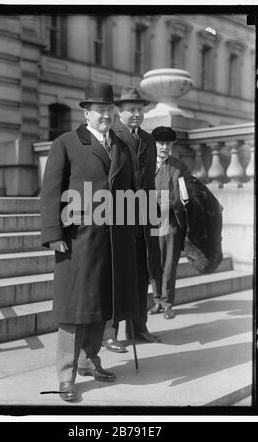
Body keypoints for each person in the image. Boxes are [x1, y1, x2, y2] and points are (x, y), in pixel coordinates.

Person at [40, 81, 139, 401]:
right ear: (86, 113)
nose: (106, 115)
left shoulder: (122, 147)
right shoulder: (66, 143)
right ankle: (66, 376)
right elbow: (52, 192)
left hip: (111, 240)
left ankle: (90, 361)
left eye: (110, 110)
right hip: (77, 239)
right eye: (100, 110)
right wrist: (53, 234)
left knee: (101, 305)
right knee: (73, 309)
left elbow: (128, 192)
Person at [102, 86, 162, 353]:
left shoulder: (148, 139)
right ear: (119, 111)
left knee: (142, 271)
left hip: (144, 215)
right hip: (119, 214)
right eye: (131, 109)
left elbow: (149, 178)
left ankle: (139, 326)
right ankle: (110, 333)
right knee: (117, 274)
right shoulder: (111, 137)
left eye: (140, 110)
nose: (137, 114)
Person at [149, 126, 193, 319]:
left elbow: (186, 194)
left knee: (169, 265)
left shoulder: (179, 167)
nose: (165, 147)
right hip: (150, 222)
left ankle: (167, 303)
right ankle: (157, 300)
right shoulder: (146, 165)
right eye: (161, 143)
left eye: (168, 143)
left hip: (172, 222)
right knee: (153, 264)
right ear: (154, 144)